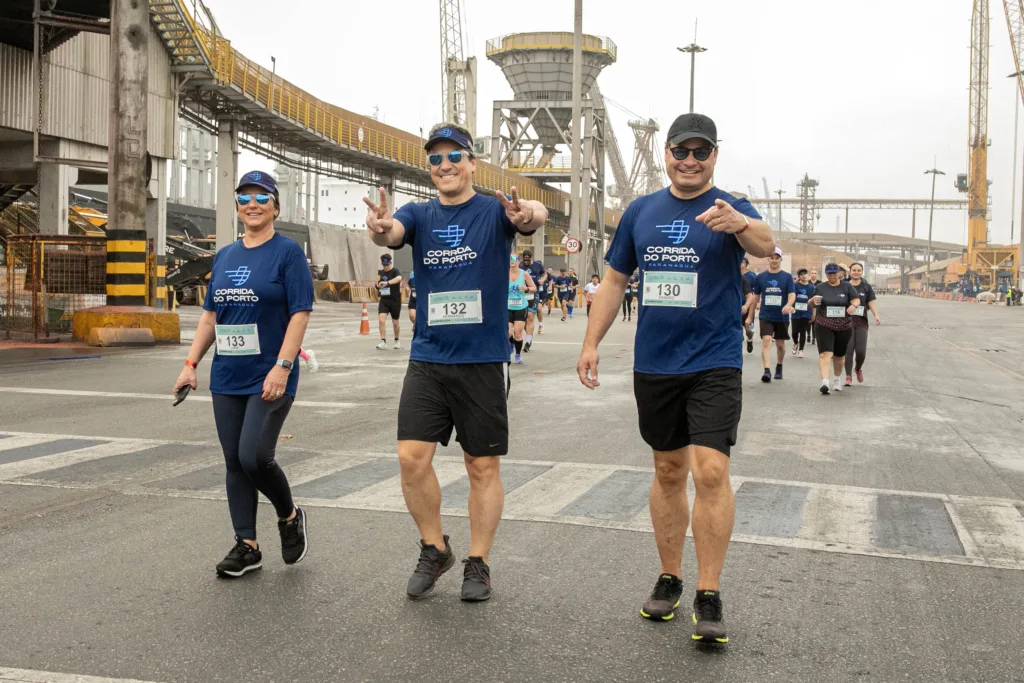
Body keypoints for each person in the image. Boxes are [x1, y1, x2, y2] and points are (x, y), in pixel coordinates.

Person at [576, 112, 775, 644]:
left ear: (715, 156)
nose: (690, 161)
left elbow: (766, 244)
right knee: (667, 470)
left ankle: (709, 592)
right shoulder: (641, 211)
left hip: (714, 360)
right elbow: (616, 279)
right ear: (666, 154)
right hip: (656, 364)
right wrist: (591, 342)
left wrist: (740, 225)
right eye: (681, 152)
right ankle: (671, 576)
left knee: (709, 472)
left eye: (700, 152)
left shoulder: (729, 207)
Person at [363, 122, 548, 602]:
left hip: (483, 360)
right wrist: (382, 228)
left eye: (453, 157)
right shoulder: (419, 215)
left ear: (471, 163)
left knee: (480, 465)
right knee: (410, 458)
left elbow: (531, 218)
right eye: (436, 160)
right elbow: (392, 232)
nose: (444, 166)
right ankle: (434, 547)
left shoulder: (492, 211)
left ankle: (479, 561)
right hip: (428, 358)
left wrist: (530, 209)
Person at [173, 170, 313, 579]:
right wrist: (189, 365)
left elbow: (300, 314)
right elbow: (210, 317)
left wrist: (283, 367)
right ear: (237, 207)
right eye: (245, 197)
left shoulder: (288, 254)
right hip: (228, 374)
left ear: (275, 206)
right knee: (235, 460)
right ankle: (247, 545)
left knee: (255, 455)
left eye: (262, 197)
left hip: (270, 374)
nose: (252, 204)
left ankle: (288, 515)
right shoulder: (226, 256)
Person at [810, 263, 861, 395]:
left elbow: (856, 299)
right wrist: (813, 300)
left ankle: (837, 379)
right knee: (825, 354)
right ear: (825, 274)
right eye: (829, 274)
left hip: (843, 325)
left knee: (839, 356)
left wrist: (854, 306)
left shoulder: (847, 286)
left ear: (839, 273)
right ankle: (825, 382)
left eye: (834, 273)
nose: (832, 276)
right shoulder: (820, 287)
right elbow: (810, 303)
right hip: (824, 324)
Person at [752, 247, 796, 382]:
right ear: (768, 259)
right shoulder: (760, 277)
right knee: (766, 341)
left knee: (780, 345)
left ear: (781, 260)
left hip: (781, 316)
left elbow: (792, 294)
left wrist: (788, 305)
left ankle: (779, 365)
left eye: (777, 258)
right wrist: (750, 316)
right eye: (772, 258)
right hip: (766, 315)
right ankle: (766, 371)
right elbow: (755, 297)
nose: (774, 261)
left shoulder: (787, 277)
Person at [844, 263, 880, 384]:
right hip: (846, 321)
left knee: (861, 351)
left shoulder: (866, 287)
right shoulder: (844, 285)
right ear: (849, 271)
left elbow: (871, 302)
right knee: (848, 350)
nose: (856, 272)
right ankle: (848, 376)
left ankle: (858, 368)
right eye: (854, 270)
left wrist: (876, 315)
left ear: (862, 272)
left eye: (859, 270)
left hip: (861, 322)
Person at [508, 253, 537, 364]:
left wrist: (526, 288)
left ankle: (518, 354)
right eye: (510, 258)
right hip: (508, 306)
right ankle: (511, 344)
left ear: (518, 261)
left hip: (521, 306)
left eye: (514, 259)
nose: (512, 261)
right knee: (508, 333)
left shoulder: (524, 274)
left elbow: (534, 288)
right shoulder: (505, 273)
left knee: (518, 333)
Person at [376, 253, 403, 350]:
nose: (385, 267)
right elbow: (378, 283)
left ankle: (397, 340)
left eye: (387, 265)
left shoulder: (396, 271)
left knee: (395, 322)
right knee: (381, 320)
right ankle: (383, 341)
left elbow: (399, 279)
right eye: (384, 265)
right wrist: (378, 285)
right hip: (384, 300)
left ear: (390, 263)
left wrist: (387, 283)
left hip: (395, 300)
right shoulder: (381, 273)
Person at [522, 249, 546, 349]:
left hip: (533, 293)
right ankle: (528, 335)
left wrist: (542, 280)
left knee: (530, 317)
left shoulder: (537, 265)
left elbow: (544, 274)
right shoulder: (519, 265)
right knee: (523, 320)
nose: (526, 262)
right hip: (521, 294)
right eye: (524, 260)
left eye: (528, 260)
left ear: (531, 258)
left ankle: (528, 342)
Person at [791, 268, 815, 358]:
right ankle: (795, 343)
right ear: (799, 277)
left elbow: (814, 302)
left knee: (803, 331)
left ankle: (801, 350)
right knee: (794, 332)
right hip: (796, 311)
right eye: (801, 274)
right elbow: (791, 297)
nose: (804, 276)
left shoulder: (812, 287)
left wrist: (814, 313)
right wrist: (790, 306)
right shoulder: (795, 285)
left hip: (806, 312)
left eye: (805, 274)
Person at [740, 258, 757, 353]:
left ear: (747, 264)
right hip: (737, 307)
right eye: (740, 261)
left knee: (750, 328)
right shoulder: (733, 274)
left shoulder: (751, 275)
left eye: (743, 262)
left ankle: (750, 339)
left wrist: (757, 302)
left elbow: (755, 292)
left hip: (749, 306)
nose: (741, 263)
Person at [808, 268, 820, 345]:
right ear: (810, 274)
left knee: (815, 321)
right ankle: (808, 334)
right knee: (808, 321)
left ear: (817, 275)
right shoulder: (807, 283)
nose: (813, 274)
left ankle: (814, 337)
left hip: (817, 304)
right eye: (812, 273)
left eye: (815, 273)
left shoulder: (820, 283)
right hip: (808, 303)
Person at [405, 271, 417, 339]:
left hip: (422, 300)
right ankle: (415, 324)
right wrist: (408, 290)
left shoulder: (425, 278)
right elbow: (408, 285)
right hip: (413, 300)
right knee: (412, 316)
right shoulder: (412, 279)